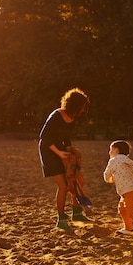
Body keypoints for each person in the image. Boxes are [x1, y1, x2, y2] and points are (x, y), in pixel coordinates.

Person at [39, 88, 91, 231]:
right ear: (74, 104)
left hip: (61, 149)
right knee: (63, 186)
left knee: (77, 180)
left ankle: (77, 212)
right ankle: (61, 219)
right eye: (82, 106)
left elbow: (66, 137)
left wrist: (71, 150)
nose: (83, 109)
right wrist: (59, 153)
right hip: (49, 150)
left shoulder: (72, 118)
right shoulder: (56, 115)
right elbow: (44, 137)